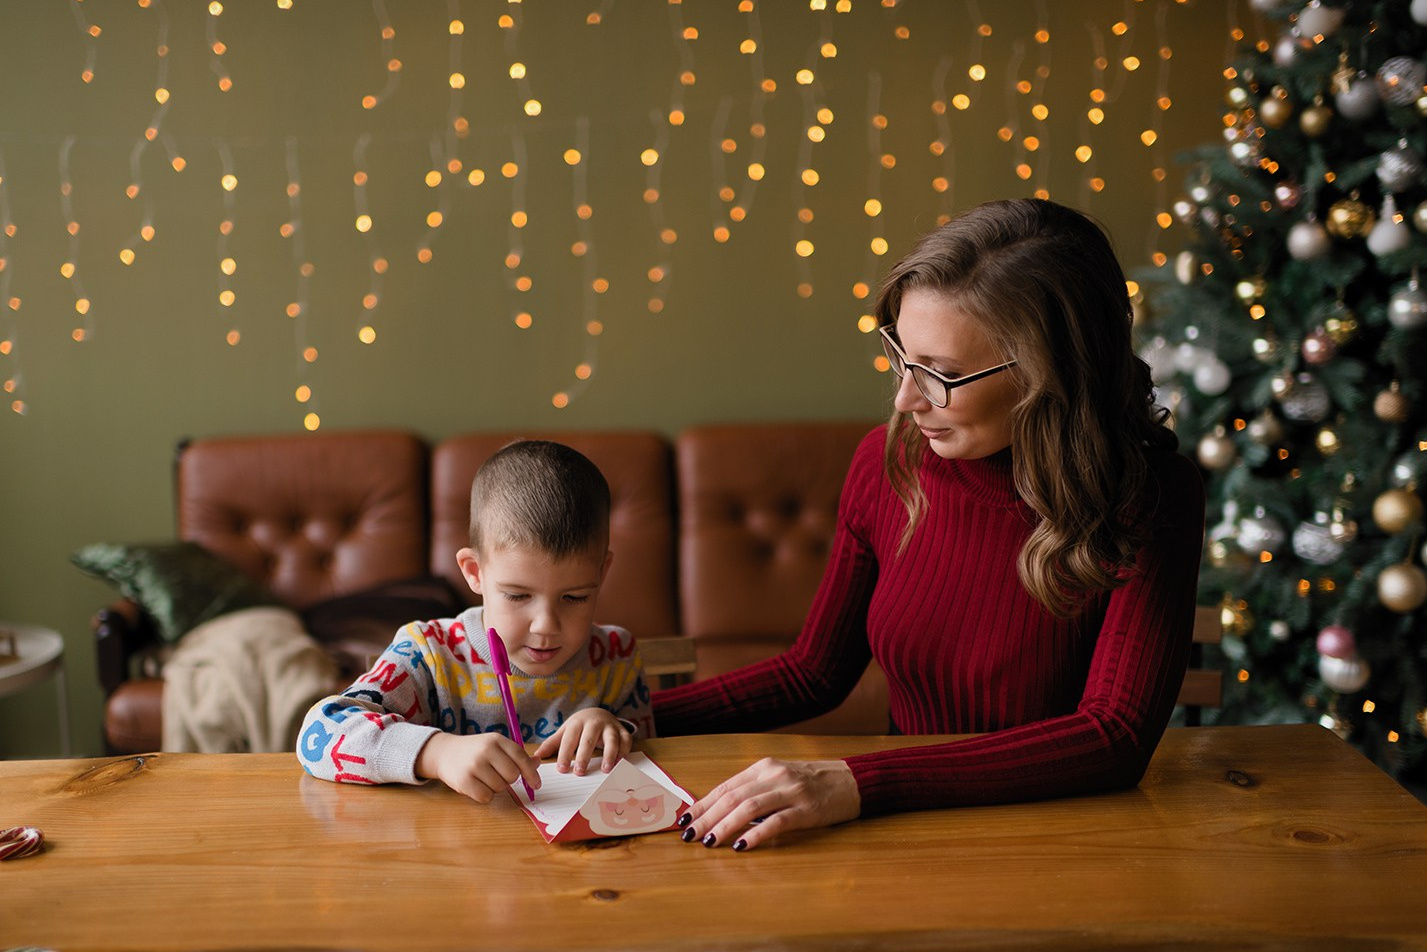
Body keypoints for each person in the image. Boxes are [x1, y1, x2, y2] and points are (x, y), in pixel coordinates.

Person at [657, 198, 1205, 852]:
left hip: (1068, 842)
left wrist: (856, 781)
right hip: (900, 832)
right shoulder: (887, 460)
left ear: (1048, 373)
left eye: (940, 376)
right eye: (900, 356)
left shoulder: (1146, 496)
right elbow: (814, 670)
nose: (905, 399)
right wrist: (631, 715)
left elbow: (1111, 736)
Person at [296, 439, 653, 802]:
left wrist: (615, 729)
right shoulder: (429, 654)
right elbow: (318, 735)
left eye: (575, 597)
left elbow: (658, 755)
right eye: (518, 595)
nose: (546, 625)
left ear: (602, 572)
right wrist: (437, 753)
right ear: (474, 571)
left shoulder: (616, 655)